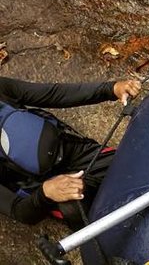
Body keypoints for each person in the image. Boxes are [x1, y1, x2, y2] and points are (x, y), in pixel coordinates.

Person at [0, 75, 141, 227]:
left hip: (75, 150)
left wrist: (111, 89)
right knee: (77, 213)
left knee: (136, 164)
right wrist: (45, 193)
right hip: (46, 184)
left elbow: (53, 94)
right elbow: (19, 211)